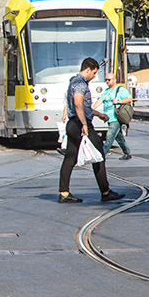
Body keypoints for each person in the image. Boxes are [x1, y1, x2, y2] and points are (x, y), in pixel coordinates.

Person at [57, 58, 125, 204]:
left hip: (73, 124)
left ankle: (64, 193)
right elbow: (78, 103)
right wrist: (84, 124)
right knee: (99, 155)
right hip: (80, 124)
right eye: (94, 73)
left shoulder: (74, 81)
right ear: (87, 70)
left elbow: (83, 107)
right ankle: (105, 192)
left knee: (70, 158)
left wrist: (99, 114)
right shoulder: (80, 84)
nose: (94, 76)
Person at [100, 73, 133, 161]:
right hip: (108, 117)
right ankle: (127, 153)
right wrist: (91, 110)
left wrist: (118, 101)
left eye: (109, 80)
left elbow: (129, 99)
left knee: (109, 136)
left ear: (114, 80)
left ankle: (101, 156)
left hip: (116, 117)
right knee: (119, 137)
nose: (107, 81)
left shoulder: (120, 90)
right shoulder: (106, 91)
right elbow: (100, 100)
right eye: (106, 79)